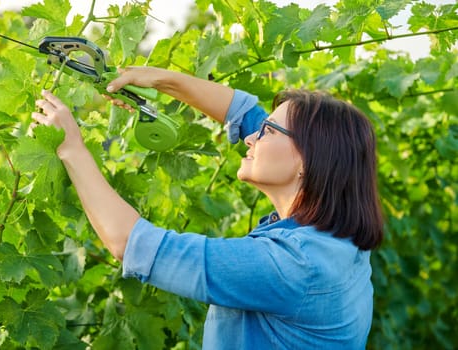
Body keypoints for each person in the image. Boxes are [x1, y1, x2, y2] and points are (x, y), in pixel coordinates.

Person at [32, 67, 384, 349]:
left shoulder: (293, 265)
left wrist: (71, 148)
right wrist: (156, 79)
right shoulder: (335, 240)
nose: (251, 137)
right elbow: (243, 111)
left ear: (308, 159)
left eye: (267, 131)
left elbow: (132, 243)